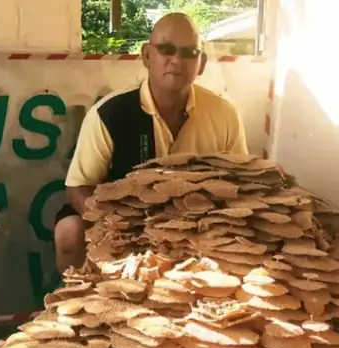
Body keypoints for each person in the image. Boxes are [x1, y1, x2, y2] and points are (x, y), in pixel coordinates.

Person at [55, 12, 249, 272]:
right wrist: (118, 223)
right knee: (69, 231)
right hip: (122, 221)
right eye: (166, 49)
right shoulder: (110, 114)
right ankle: (73, 302)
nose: (177, 60)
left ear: (201, 63)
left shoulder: (224, 114)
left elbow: (242, 184)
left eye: (189, 52)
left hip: (200, 222)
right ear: (147, 56)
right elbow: (78, 188)